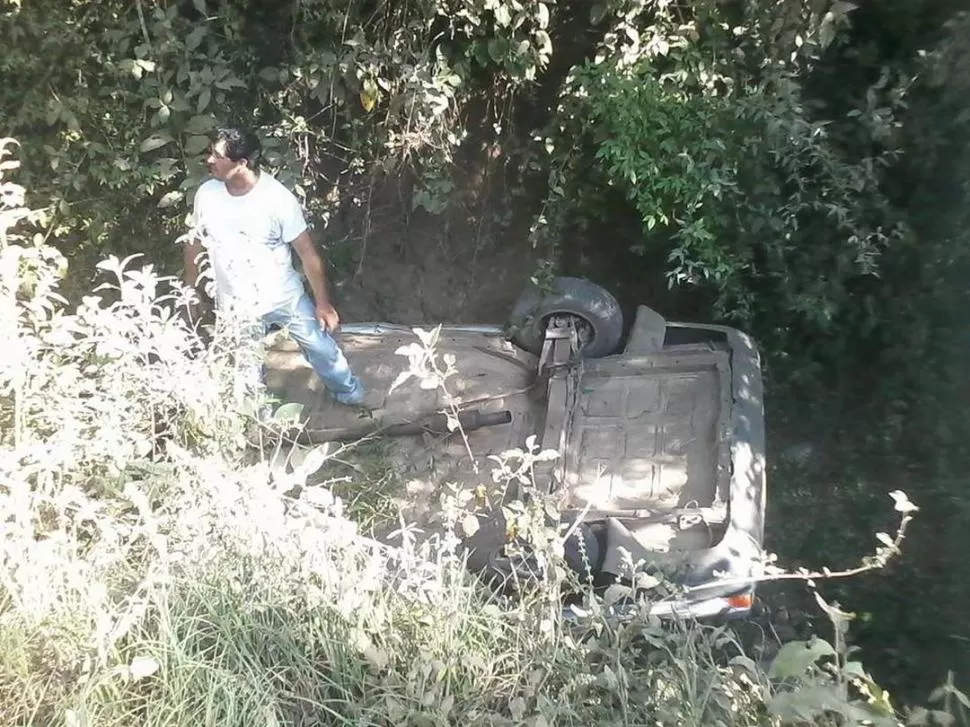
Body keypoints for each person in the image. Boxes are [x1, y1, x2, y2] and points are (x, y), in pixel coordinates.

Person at [181, 125, 365, 407]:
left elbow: (307, 254)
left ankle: (351, 395)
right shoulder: (207, 194)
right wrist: (190, 290)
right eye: (210, 153)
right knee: (245, 368)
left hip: (282, 296)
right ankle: (257, 422)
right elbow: (193, 242)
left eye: (217, 156)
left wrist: (323, 304)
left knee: (320, 347)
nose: (209, 160)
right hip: (235, 304)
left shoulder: (276, 199)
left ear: (241, 163)